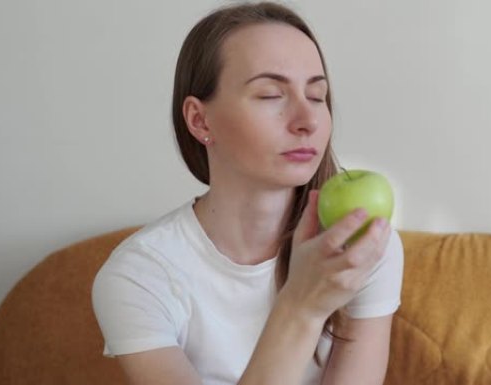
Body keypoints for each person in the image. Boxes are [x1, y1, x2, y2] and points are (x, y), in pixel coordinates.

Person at [91, 2, 404, 384]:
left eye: (317, 96)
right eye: (271, 95)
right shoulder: (140, 276)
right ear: (199, 120)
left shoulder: (361, 247)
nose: (307, 121)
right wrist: (300, 307)